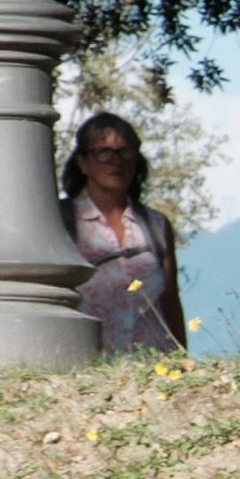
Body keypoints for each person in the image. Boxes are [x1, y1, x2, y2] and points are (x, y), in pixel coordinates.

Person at [62, 108, 185, 355]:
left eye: (125, 152)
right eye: (104, 152)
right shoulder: (61, 222)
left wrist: (183, 361)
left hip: (153, 373)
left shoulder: (156, 226)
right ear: (82, 162)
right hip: (88, 373)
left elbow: (170, 301)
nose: (116, 161)